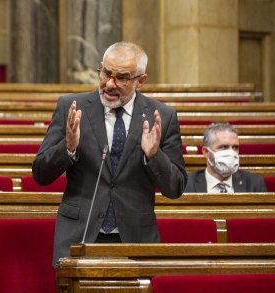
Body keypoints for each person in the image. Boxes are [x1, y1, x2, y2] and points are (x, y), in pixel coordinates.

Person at [32, 42, 187, 266]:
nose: (110, 84)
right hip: (80, 236)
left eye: (122, 78)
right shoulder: (71, 107)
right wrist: (68, 148)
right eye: (106, 73)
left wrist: (154, 156)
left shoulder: (161, 116)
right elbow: (40, 174)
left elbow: (176, 189)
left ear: (140, 81)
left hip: (136, 240)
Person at [184, 123, 267, 193]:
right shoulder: (185, 185)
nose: (231, 153)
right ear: (206, 152)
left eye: (235, 147)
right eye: (223, 147)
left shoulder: (255, 184)